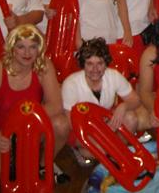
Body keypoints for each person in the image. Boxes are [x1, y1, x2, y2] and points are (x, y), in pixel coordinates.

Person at [0, 24, 70, 182]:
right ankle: (12, 155)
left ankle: (43, 164)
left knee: (61, 124)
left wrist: (24, 124)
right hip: (1, 131)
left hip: (30, 128)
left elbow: (56, 105)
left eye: (33, 47)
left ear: (39, 49)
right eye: (21, 47)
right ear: (12, 48)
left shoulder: (43, 65)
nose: (27, 53)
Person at [62, 37, 147, 166]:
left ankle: (113, 152)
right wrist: (99, 133)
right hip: (80, 128)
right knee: (100, 149)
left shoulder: (113, 75)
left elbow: (135, 100)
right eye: (90, 64)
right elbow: (70, 122)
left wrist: (123, 106)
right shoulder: (71, 83)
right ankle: (84, 150)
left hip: (104, 122)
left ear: (106, 63)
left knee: (131, 118)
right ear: (83, 64)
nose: (95, 69)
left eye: (100, 63)